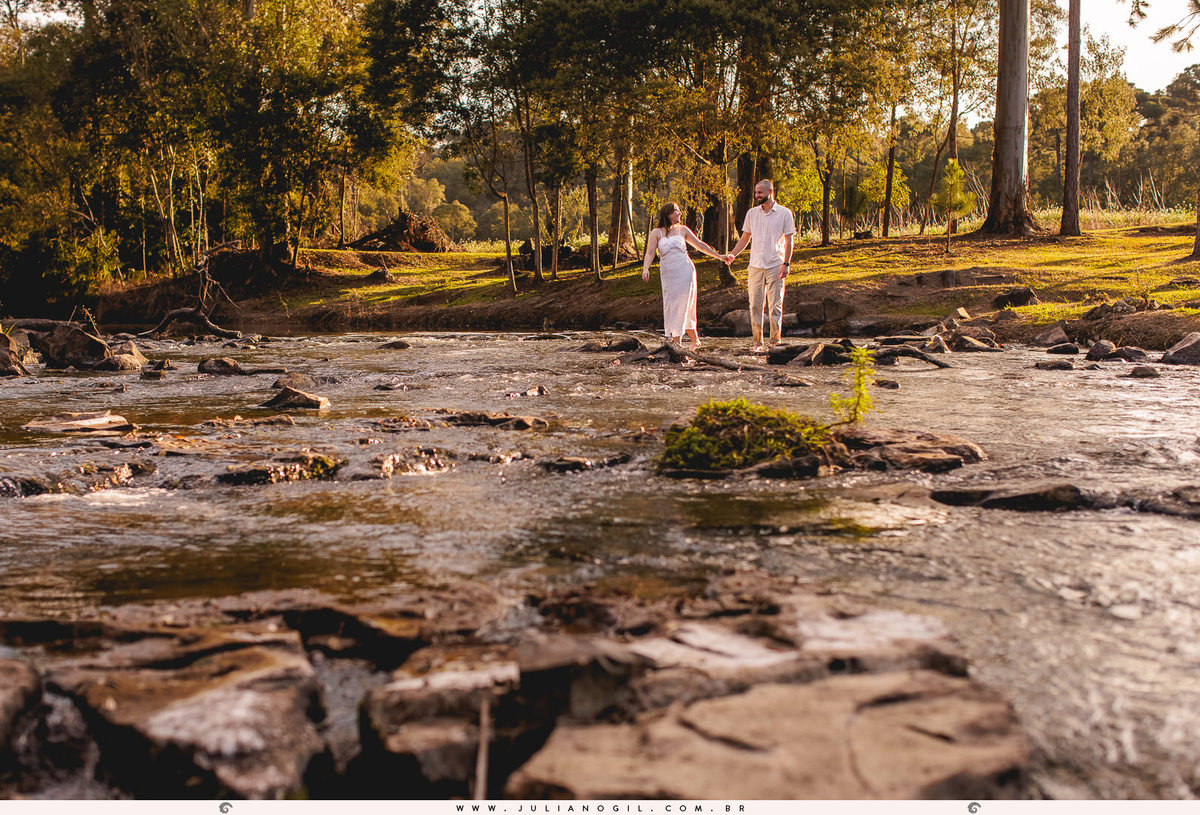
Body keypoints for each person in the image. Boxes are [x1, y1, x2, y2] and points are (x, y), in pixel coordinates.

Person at [641, 202, 725, 350]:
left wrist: (720, 257)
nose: (680, 214)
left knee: (683, 303)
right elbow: (650, 253)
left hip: (685, 270)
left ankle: (677, 343)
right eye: (676, 211)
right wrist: (645, 269)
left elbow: (700, 245)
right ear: (668, 214)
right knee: (672, 305)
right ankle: (694, 341)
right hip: (668, 272)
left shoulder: (683, 230)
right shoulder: (656, 233)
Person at [727, 179, 795, 352]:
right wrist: (733, 254)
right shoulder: (752, 213)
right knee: (755, 305)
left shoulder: (784, 213)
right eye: (756, 192)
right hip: (755, 266)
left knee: (775, 305)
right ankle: (757, 342)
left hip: (775, 264)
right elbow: (745, 238)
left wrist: (786, 264)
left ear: (770, 192)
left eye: (760, 193)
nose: (757, 195)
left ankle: (775, 341)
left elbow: (789, 240)